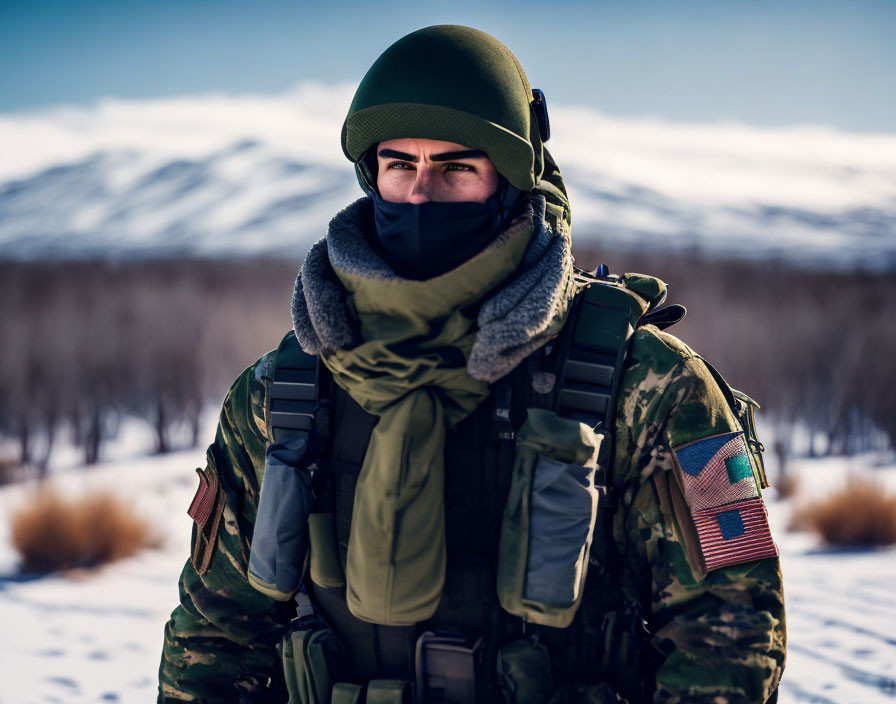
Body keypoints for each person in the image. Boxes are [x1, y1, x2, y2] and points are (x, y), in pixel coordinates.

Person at [158, 25, 785, 704]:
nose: (421, 194)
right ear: (373, 175)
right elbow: (214, 640)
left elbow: (727, 637)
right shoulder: (281, 393)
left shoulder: (645, 382)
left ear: (509, 180)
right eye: (400, 166)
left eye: (456, 167)